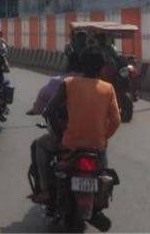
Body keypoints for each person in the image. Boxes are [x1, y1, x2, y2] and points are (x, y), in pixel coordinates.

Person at [28, 47, 121, 204]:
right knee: (103, 163)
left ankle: (44, 190)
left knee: (40, 146)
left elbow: (49, 111)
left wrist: (60, 135)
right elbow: (116, 121)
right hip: (96, 144)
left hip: (70, 143)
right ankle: (103, 194)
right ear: (101, 67)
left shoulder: (69, 84)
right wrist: (103, 137)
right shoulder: (108, 88)